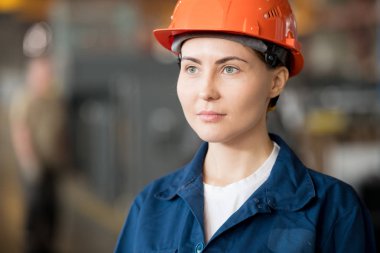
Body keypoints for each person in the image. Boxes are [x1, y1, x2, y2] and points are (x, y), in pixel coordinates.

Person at [115, 0, 377, 252]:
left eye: (229, 69)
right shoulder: (149, 207)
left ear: (276, 82)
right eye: (192, 68)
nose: (206, 91)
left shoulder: (334, 211)